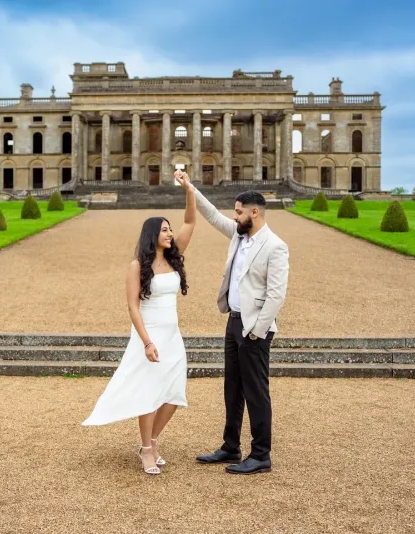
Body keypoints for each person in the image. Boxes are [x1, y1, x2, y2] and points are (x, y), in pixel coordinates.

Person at [82, 170, 197, 476]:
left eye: (169, 230)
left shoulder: (174, 258)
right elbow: (132, 306)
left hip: (173, 335)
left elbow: (190, 222)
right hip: (149, 335)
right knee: (148, 392)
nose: (170, 234)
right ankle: (147, 448)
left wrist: (188, 189)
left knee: (174, 394)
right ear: (151, 235)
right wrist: (146, 341)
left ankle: (154, 440)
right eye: (164, 230)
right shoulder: (137, 266)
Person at [175, 171, 289, 476]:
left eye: (238, 212)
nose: (233, 216)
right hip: (234, 321)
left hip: (254, 329)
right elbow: (211, 215)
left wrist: (257, 330)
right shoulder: (240, 234)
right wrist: (189, 187)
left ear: (254, 212)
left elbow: (277, 295)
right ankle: (230, 446)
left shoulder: (275, 246)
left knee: (256, 391)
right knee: (233, 388)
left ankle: (261, 454)